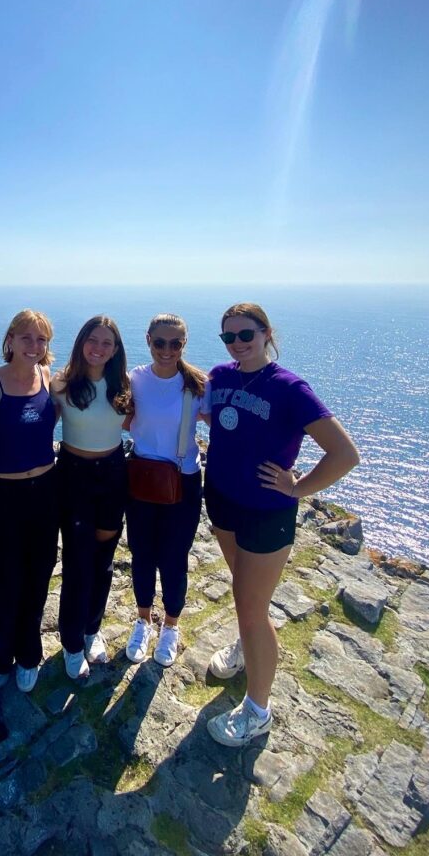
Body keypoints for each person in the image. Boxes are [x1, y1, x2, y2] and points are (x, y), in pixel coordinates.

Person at [202, 303, 359, 747]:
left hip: (266, 513)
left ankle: (257, 711)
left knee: (252, 607)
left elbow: (345, 454)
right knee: (244, 594)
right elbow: (208, 417)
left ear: (266, 333)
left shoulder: (289, 387)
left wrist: (297, 488)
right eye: (228, 337)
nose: (237, 344)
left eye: (245, 335)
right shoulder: (221, 375)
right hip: (223, 502)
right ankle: (247, 648)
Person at [124, 313, 207, 668]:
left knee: (174, 558)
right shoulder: (134, 380)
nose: (167, 350)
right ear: (148, 340)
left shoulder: (197, 385)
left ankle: (170, 625)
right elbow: (119, 416)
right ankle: (143, 620)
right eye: (160, 342)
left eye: (176, 344)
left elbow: (229, 422)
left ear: (183, 345)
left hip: (183, 481)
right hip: (142, 478)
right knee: (141, 555)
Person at [0, 309, 58, 693]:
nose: (34, 346)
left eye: (41, 339)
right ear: (10, 340)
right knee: (3, 580)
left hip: (45, 492)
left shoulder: (48, 378)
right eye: (27, 337)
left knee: (38, 576)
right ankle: (0, 655)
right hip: (2, 496)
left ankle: (29, 653)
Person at [51, 316, 131, 679]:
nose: (99, 348)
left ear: (116, 350)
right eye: (92, 340)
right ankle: (70, 644)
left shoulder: (123, 386)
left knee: (104, 562)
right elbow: (33, 420)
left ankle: (91, 631)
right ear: (81, 342)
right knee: (78, 563)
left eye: (107, 343)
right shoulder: (63, 383)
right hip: (74, 476)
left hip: (113, 474)